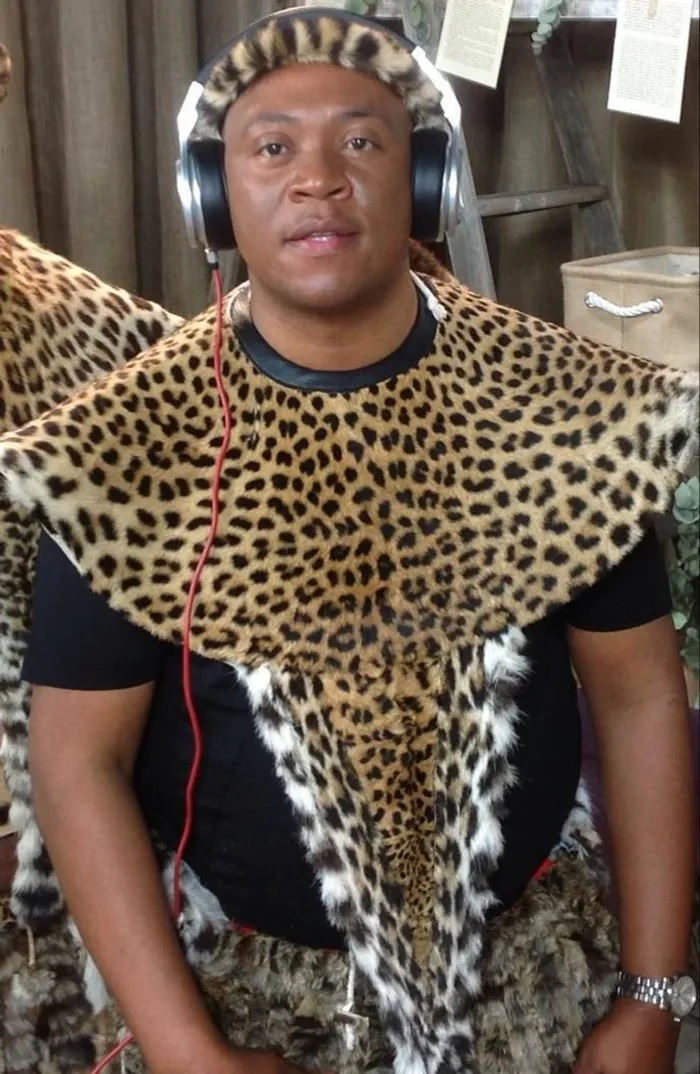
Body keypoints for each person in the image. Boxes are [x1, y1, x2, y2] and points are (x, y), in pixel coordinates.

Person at [0, 8, 697, 1074]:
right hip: (238, 993)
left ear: (424, 181)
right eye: (272, 147)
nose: (317, 180)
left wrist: (653, 991)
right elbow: (77, 761)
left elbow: (640, 700)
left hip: (535, 978)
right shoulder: (123, 448)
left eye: (361, 141)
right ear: (211, 194)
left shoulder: (569, 411)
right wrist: (191, 1054)